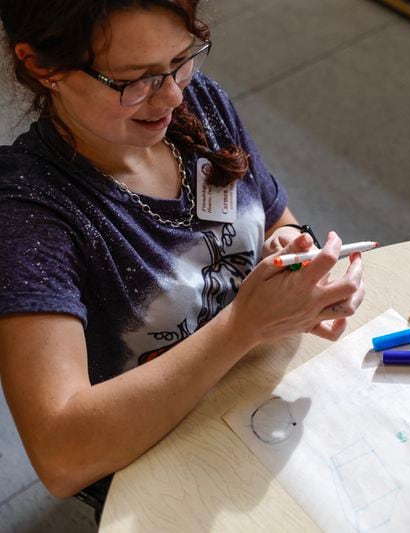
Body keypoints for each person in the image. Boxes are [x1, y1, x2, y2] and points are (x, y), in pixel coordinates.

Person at [0, 0, 365, 517]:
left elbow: (276, 219)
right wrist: (243, 325)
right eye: (135, 78)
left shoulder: (200, 107)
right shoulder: (28, 212)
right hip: (151, 461)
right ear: (43, 67)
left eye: (181, 58)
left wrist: (298, 260)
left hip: (256, 396)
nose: (171, 94)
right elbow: (61, 455)